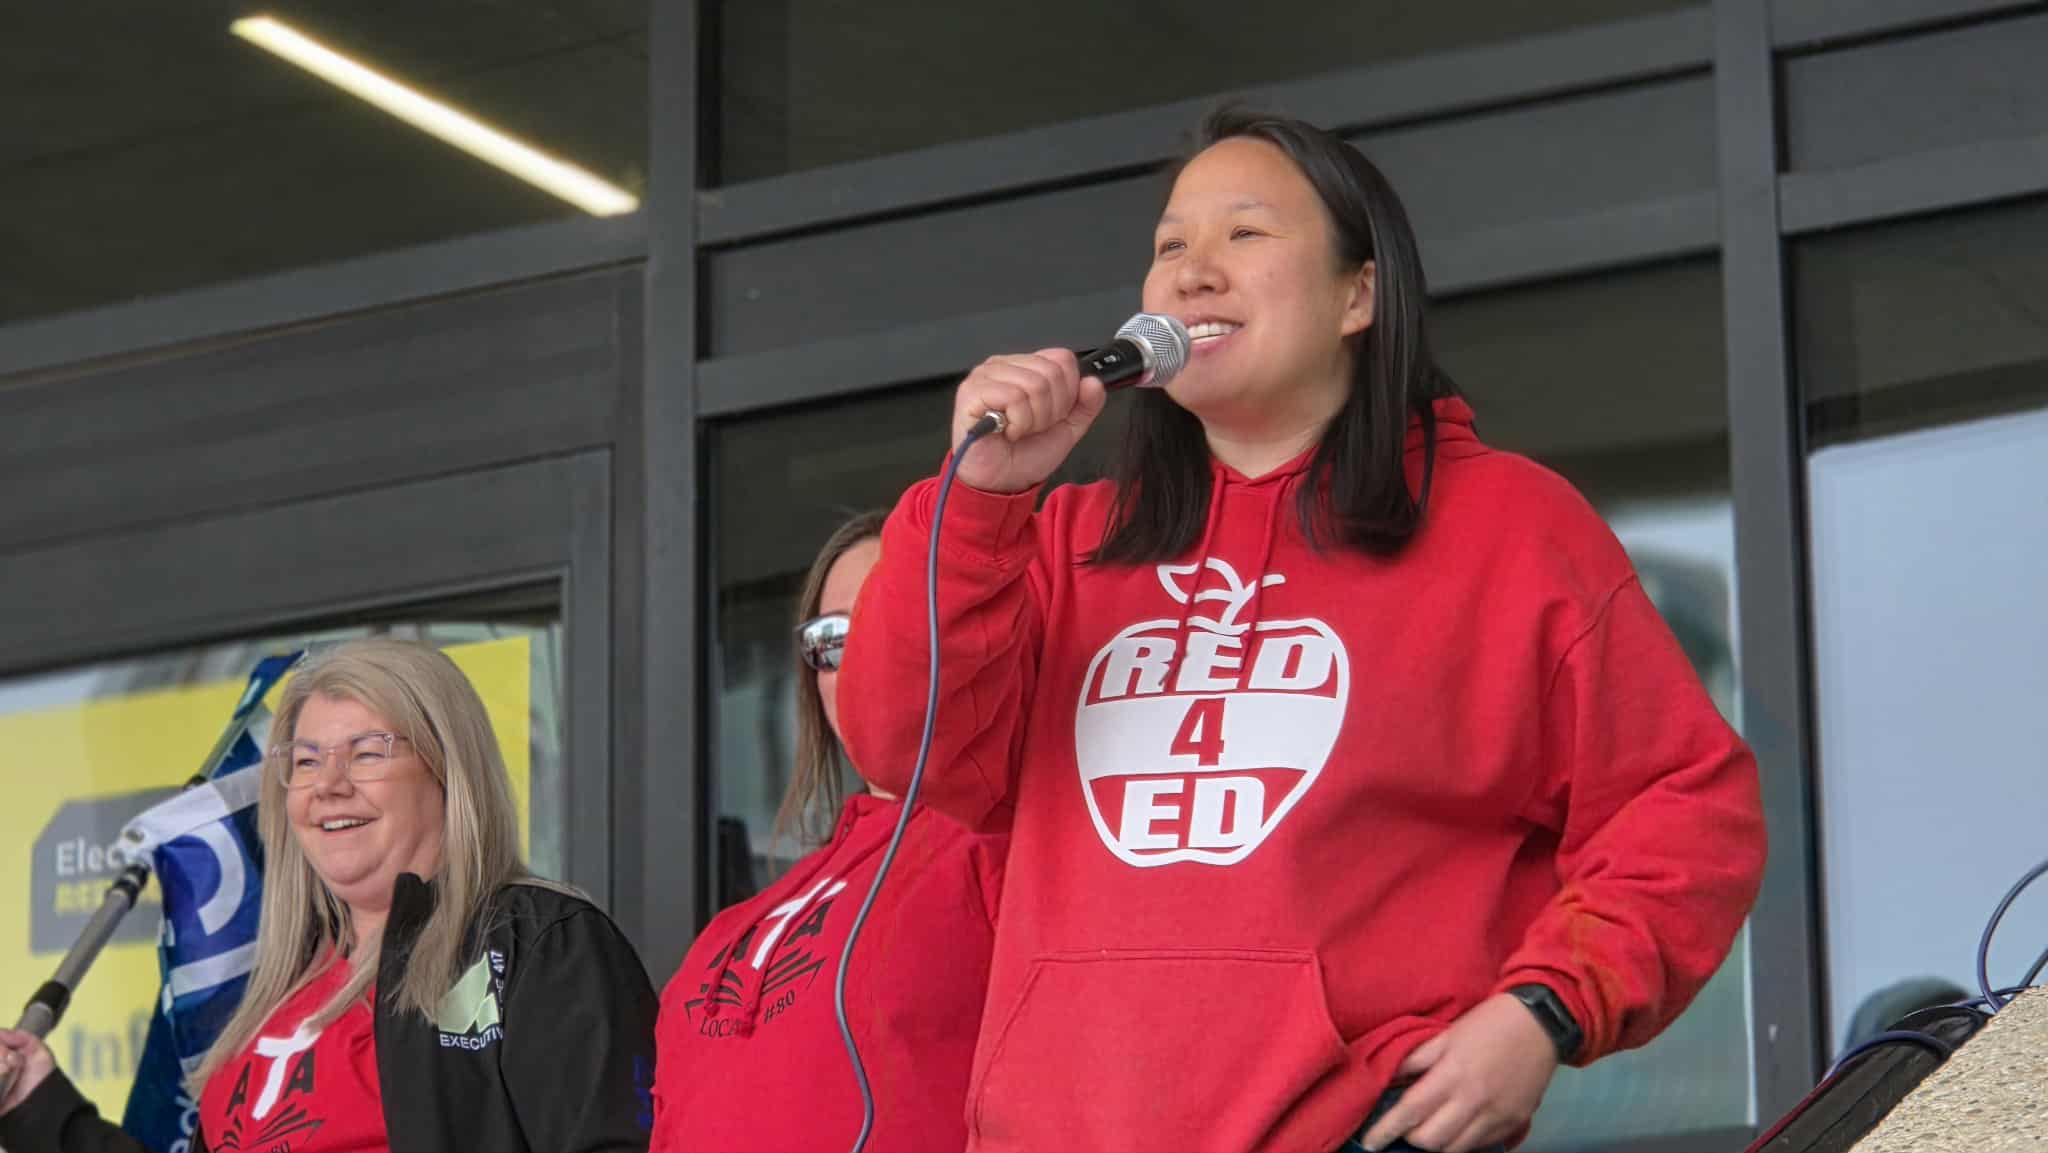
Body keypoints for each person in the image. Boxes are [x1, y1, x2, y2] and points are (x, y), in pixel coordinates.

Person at [835, 108, 1767, 1153]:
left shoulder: (1509, 527)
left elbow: (1683, 807)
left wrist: (1543, 1009)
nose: (1192, 273)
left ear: (1358, 295)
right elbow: (903, 746)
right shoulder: (1058, 541)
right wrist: (981, 504)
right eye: (1169, 247)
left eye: (1243, 233)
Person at [0, 638, 657, 1152]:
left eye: (366, 753)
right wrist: (40, 1106)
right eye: (307, 761)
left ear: (446, 768)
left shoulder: (538, 943)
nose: (328, 785)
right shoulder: (274, 996)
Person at [651, 511, 1006, 1152]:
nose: (861, 658)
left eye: (892, 621)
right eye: (832, 638)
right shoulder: (732, 927)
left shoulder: (1005, 848)